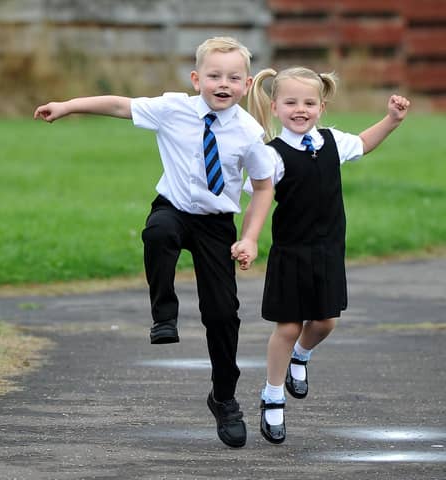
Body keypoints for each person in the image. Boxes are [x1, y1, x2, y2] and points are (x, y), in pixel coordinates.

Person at [33, 37, 274, 448]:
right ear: (197, 78)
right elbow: (117, 105)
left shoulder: (250, 132)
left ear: (247, 85)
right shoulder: (173, 109)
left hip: (217, 225)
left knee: (222, 315)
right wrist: (68, 106)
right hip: (174, 208)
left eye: (233, 78)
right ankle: (164, 316)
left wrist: (250, 238)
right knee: (158, 232)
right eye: (214, 75)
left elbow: (263, 187)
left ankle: (225, 397)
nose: (223, 83)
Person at [239, 66, 410, 444]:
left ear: (322, 105)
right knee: (286, 326)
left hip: (328, 251)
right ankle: (271, 396)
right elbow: (258, 203)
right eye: (290, 102)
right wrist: (248, 240)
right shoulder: (271, 156)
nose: (300, 110)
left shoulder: (332, 141)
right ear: (275, 105)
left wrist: (392, 120)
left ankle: (301, 356)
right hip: (290, 253)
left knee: (325, 322)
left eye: (309, 103)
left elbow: (364, 143)